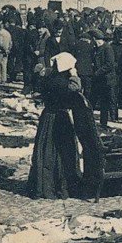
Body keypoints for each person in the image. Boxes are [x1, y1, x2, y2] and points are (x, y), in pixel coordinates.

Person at [28, 52, 104, 199]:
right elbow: (76, 88)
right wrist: (74, 74)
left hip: (47, 117)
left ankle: (43, 184)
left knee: (46, 151)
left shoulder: (50, 78)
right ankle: (61, 185)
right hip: (60, 118)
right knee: (63, 152)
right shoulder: (65, 82)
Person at [91, 29, 117, 130]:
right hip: (99, 79)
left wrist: (97, 72)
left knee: (104, 103)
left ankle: (103, 124)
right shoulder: (96, 48)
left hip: (106, 80)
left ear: (95, 39)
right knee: (94, 101)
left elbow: (109, 64)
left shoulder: (107, 48)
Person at [74, 28, 96, 100]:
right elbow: (93, 58)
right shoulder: (91, 47)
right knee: (87, 90)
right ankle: (86, 103)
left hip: (78, 70)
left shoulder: (76, 45)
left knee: (78, 88)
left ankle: (78, 103)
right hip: (88, 72)